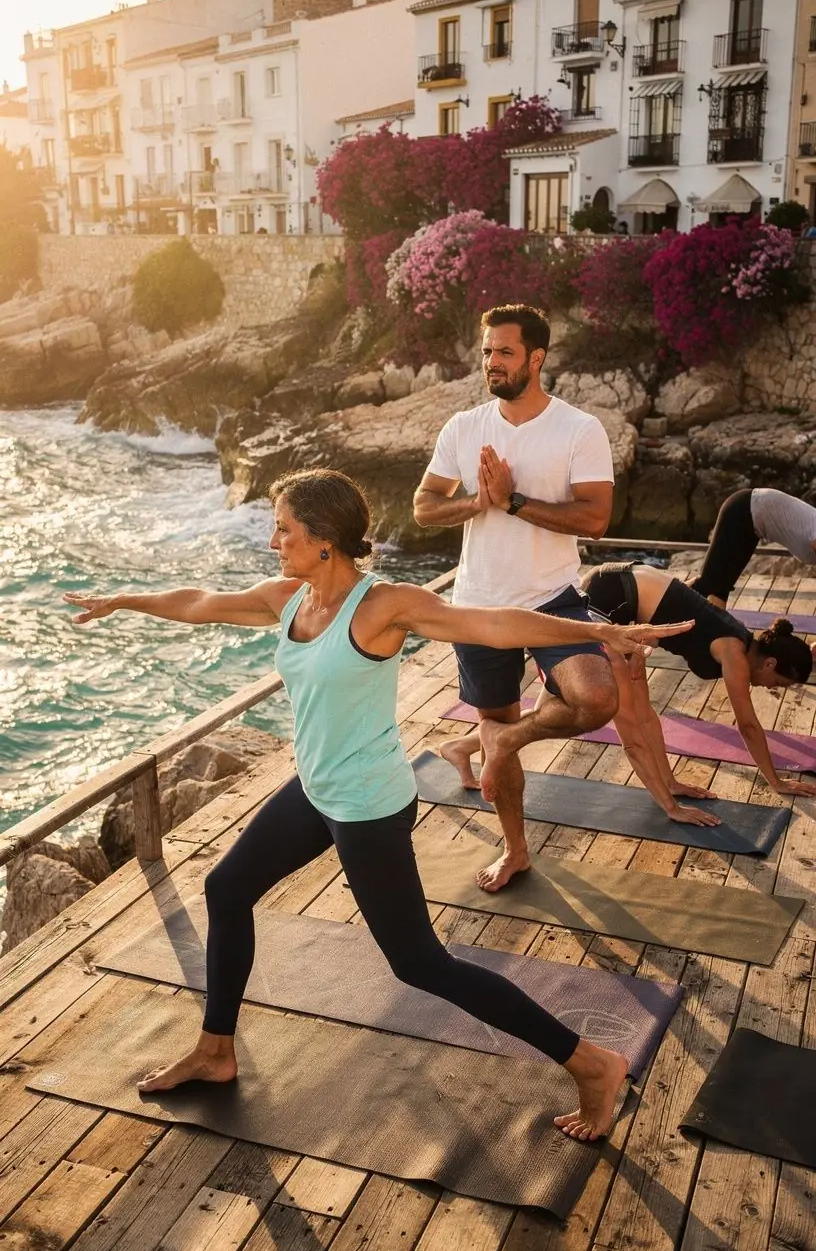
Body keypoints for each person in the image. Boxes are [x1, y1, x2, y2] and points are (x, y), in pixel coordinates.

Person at [65, 468, 691, 1141]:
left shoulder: (383, 607)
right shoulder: (289, 600)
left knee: (419, 964)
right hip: (315, 789)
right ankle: (217, 1049)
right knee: (226, 887)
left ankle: (591, 1063)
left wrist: (598, 635)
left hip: (367, 803)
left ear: (326, 542)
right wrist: (126, 600)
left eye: (286, 529)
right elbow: (201, 602)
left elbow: (488, 622)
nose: (275, 540)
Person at [413, 302, 618, 893]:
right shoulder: (463, 428)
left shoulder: (579, 429)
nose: (492, 362)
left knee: (597, 696)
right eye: (486, 352)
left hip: (551, 597)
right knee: (496, 740)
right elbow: (424, 508)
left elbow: (597, 519)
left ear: (536, 357)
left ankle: (504, 738)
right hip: (477, 605)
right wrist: (476, 503)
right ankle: (516, 850)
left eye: (504, 351)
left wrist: (515, 502)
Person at [582, 561, 816, 813]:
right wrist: (776, 781)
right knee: (629, 719)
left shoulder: (736, 636)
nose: (774, 689)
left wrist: (639, 648)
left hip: (623, 590)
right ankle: (670, 807)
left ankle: (669, 783)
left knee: (644, 712)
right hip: (607, 592)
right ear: (769, 663)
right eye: (779, 683)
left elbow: (669, 613)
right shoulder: (735, 653)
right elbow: (748, 726)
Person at [691, 487, 816, 608]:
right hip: (743, 509)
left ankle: (714, 627)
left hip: (753, 527)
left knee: (720, 588)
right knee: (707, 584)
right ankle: (672, 594)